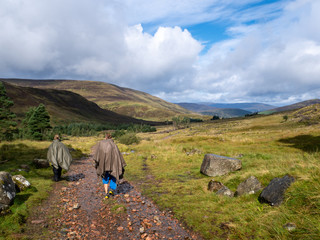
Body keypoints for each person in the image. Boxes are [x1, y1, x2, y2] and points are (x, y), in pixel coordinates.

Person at [94, 133, 126, 199]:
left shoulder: (101, 143)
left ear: (105, 137)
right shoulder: (114, 145)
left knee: (105, 178)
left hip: (104, 165)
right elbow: (118, 156)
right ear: (111, 138)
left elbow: (97, 155)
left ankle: (106, 193)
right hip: (113, 165)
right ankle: (111, 189)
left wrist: (97, 163)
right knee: (114, 175)